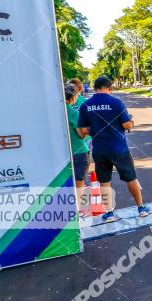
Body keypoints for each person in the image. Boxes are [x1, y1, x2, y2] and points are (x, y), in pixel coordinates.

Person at [77, 75, 150, 222]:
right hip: (119, 148)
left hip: (100, 150)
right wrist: (132, 121)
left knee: (104, 181)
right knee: (131, 178)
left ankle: (109, 213)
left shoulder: (85, 105)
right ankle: (141, 208)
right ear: (109, 88)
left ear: (95, 87)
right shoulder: (116, 102)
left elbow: (82, 131)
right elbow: (126, 125)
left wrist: (94, 130)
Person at [65, 86, 90, 217]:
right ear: (74, 97)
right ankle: (78, 209)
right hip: (78, 152)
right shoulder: (73, 113)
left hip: (62, 154)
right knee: (79, 182)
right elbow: (82, 134)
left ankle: (68, 208)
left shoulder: (52, 112)